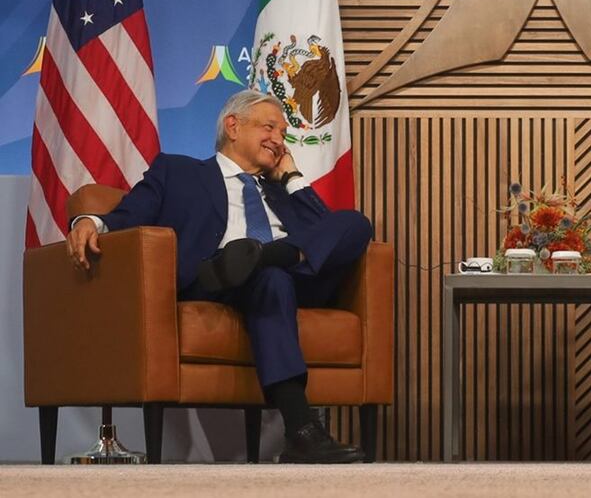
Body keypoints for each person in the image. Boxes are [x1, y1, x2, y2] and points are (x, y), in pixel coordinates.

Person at [66, 90, 373, 464]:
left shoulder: (281, 191)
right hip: (217, 281)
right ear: (233, 126)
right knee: (271, 281)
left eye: (283, 133)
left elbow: (325, 232)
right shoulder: (178, 171)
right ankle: (301, 431)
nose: (279, 139)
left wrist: (292, 178)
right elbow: (131, 213)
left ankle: (261, 256)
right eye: (269, 127)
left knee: (356, 223)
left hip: (297, 274)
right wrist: (88, 221)